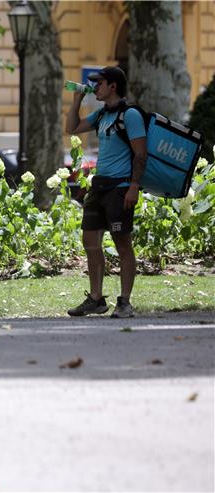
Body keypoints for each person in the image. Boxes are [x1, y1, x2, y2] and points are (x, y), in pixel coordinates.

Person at [64, 66, 147, 318]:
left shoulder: (130, 115)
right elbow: (72, 127)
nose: (95, 87)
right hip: (99, 186)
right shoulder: (102, 115)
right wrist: (77, 99)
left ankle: (125, 303)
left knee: (123, 245)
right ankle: (96, 299)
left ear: (113, 86)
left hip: (120, 188)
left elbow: (141, 154)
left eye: (99, 83)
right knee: (90, 242)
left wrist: (133, 187)